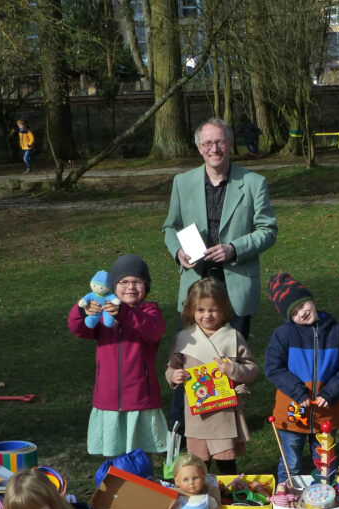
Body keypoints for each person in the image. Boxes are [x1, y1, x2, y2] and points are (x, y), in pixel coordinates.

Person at [163, 117, 278, 340]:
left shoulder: (254, 183)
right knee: (192, 359)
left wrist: (234, 249)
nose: (214, 149)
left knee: (232, 360)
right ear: (199, 148)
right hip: (195, 285)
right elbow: (171, 226)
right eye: (207, 143)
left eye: (220, 142)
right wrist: (178, 252)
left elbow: (268, 231)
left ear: (231, 145)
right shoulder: (182, 182)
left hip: (236, 287)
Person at [67, 254, 168, 458]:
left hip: (140, 397)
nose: (130, 287)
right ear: (114, 286)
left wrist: (123, 313)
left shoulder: (150, 311)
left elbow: (153, 331)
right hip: (108, 397)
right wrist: (83, 312)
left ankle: (142, 484)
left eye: (137, 282)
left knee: (139, 453)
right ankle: (117, 485)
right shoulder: (102, 314)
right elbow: (78, 329)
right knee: (115, 454)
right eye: (124, 282)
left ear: (146, 286)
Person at [263, 273, 339, 483]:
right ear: (288, 317)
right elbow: (272, 368)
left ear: (311, 300)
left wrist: (332, 391)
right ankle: (287, 500)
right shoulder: (283, 334)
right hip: (293, 411)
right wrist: (297, 391)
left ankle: (324, 499)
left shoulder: (337, 331)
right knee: (291, 462)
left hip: (326, 410)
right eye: (294, 313)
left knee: (325, 461)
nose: (302, 313)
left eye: (302, 305)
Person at [165, 278, 259, 475]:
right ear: (191, 309)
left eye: (213, 310)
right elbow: (171, 367)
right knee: (199, 467)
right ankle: (201, 501)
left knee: (227, 467)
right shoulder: (184, 338)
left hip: (224, 414)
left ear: (223, 309)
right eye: (200, 310)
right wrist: (174, 376)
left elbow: (252, 369)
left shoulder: (232, 336)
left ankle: (229, 502)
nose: (207, 315)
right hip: (196, 416)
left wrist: (233, 369)